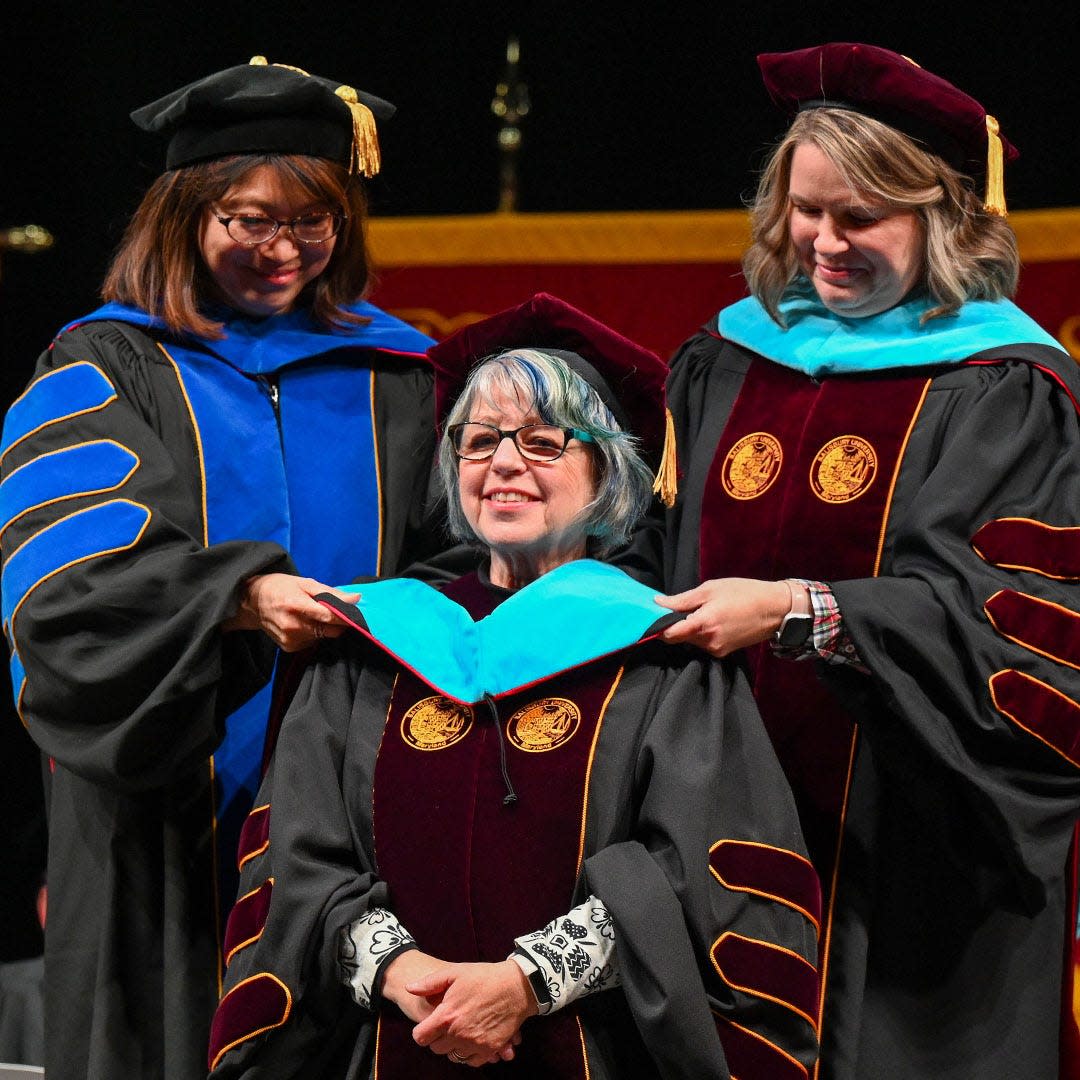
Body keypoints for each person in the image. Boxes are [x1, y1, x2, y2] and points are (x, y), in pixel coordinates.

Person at [206, 293, 820, 1079]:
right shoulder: (367, 642)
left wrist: (527, 983)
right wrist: (402, 974)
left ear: (607, 471)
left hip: (596, 1052)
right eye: (479, 440)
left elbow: (704, 878)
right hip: (394, 1043)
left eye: (542, 441)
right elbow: (295, 860)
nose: (502, 463)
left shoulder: (667, 652)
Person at [647, 42, 1080, 1080]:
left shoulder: (1004, 390)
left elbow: (1019, 641)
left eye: (860, 219)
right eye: (805, 212)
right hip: (723, 840)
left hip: (923, 856)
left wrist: (805, 612)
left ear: (942, 222)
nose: (823, 244)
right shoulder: (727, 362)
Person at [0, 57, 439, 1080]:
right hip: (165, 808)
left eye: (312, 219)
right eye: (247, 217)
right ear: (185, 214)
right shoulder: (104, 368)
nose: (282, 248)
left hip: (360, 806)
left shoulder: (396, 377)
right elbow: (62, 602)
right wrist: (237, 601)